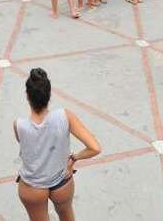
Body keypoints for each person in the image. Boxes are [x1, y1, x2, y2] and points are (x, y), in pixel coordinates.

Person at [14, 68, 101, 221]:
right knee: (66, 214)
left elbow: (28, 147)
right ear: (49, 95)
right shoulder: (64, 116)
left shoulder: (19, 125)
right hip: (62, 181)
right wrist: (73, 158)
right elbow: (95, 148)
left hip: (33, 187)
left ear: (27, 96)